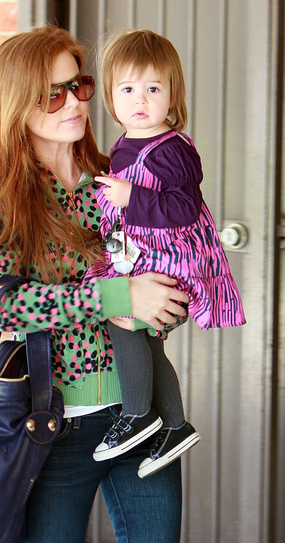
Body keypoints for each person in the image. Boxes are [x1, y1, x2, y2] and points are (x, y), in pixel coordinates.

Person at [0, 24, 190, 543]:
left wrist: (168, 299)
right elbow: (5, 305)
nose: (76, 102)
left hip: (142, 420)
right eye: (53, 93)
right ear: (15, 103)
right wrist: (121, 296)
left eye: (80, 85)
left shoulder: (115, 174)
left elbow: (165, 258)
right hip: (53, 428)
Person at [85, 29, 246, 477]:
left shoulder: (170, 149)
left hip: (169, 257)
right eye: (128, 89)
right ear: (112, 98)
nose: (141, 100)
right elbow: (118, 216)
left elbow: (183, 208)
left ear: (172, 96)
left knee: (122, 319)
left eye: (153, 89)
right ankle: (173, 424)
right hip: (135, 256)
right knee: (145, 339)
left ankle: (139, 414)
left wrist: (130, 196)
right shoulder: (121, 147)